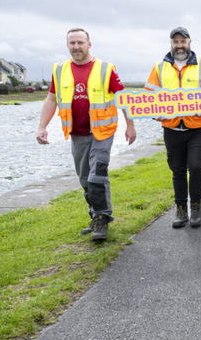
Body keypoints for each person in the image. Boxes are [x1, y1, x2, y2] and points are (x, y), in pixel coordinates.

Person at [36, 28, 137, 241]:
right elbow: (52, 99)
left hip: (102, 132)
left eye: (80, 42)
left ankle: (102, 219)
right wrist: (42, 127)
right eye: (72, 43)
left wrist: (130, 126)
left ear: (89, 44)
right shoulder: (60, 69)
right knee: (85, 179)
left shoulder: (105, 69)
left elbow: (123, 98)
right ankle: (95, 215)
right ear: (67, 45)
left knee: (97, 175)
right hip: (76, 134)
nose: (76, 47)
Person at [144, 27, 201, 229]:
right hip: (172, 127)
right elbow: (148, 97)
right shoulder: (159, 67)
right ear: (171, 43)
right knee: (177, 170)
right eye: (175, 41)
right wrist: (154, 113)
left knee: (196, 167)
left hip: (198, 127)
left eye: (182, 41)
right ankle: (181, 209)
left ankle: (195, 207)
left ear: (189, 42)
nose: (179, 45)